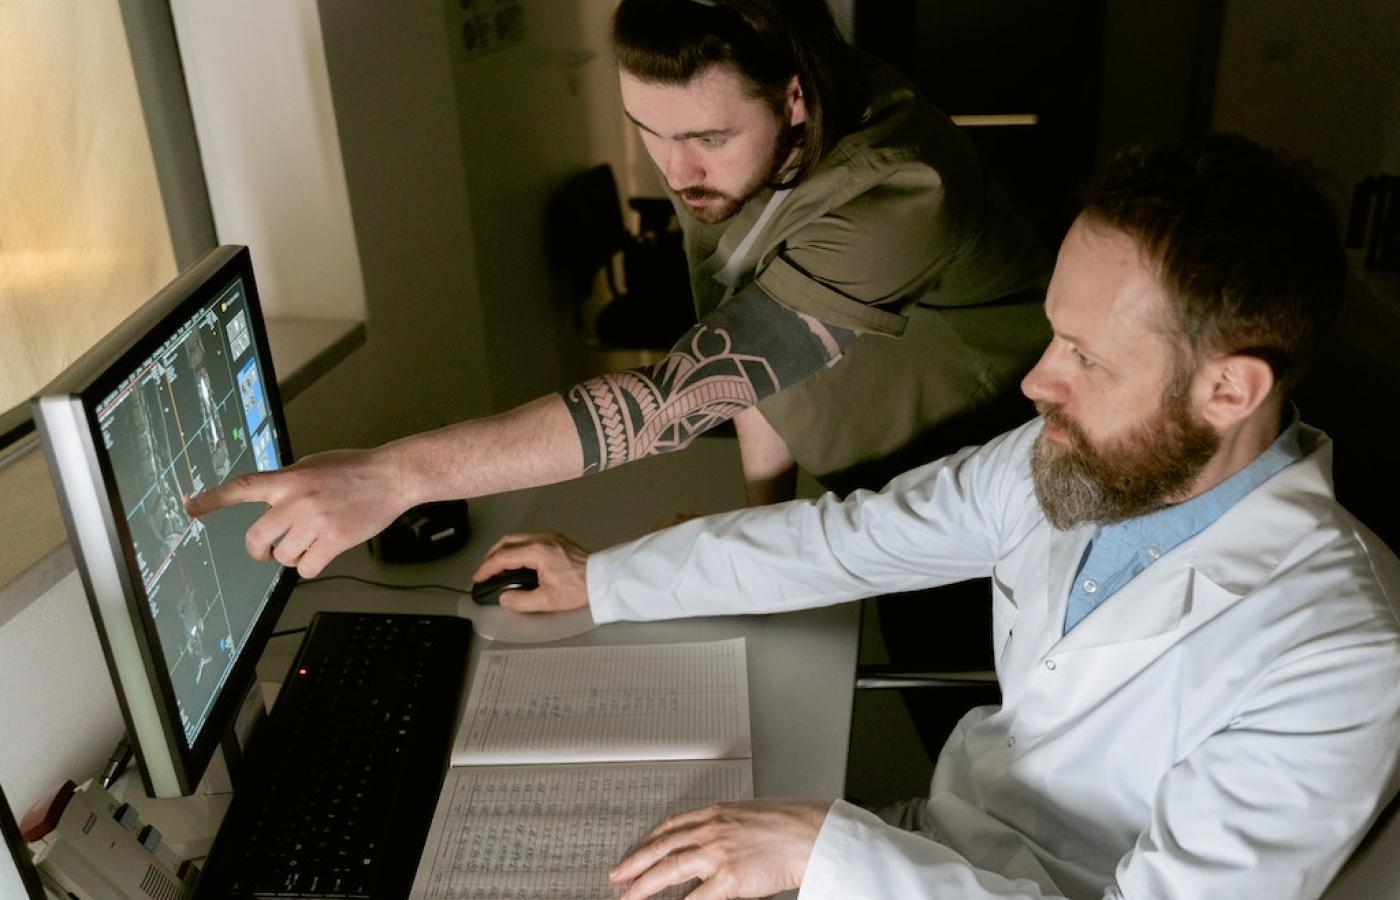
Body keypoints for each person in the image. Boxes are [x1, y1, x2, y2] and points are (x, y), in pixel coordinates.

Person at [473, 135, 1400, 899]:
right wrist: (605, 577)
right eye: (1052, 332)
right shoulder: (1081, 459)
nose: (1038, 380)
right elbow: (849, 541)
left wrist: (826, 855)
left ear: (1229, 389)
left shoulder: (1341, 653)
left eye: (1087, 354)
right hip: (939, 854)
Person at [186, 0, 1049, 576]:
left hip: (1011, 494)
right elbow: (747, 351)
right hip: (883, 488)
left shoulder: (900, 192)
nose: (676, 169)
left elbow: (681, 395)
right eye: (650, 131)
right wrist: (754, 525)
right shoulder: (735, 153)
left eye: (705, 136)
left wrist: (397, 475)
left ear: (794, 96)